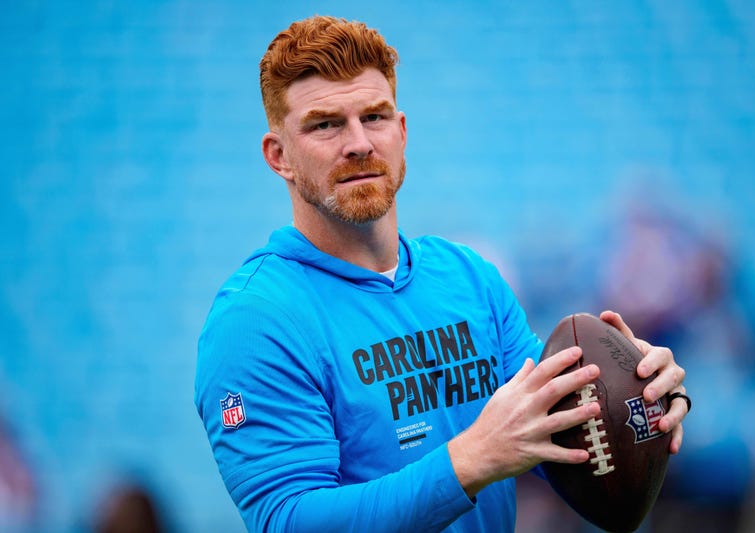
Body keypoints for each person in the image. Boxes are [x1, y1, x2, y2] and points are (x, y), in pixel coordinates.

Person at [194, 15, 689, 533]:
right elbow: (289, 520)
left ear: (401, 132)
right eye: (326, 124)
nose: (359, 143)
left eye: (375, 116)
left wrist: (645, 403)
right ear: (279, 156)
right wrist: (470, 461)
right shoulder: (255, 322)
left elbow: (558, 433)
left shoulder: (469, 278)